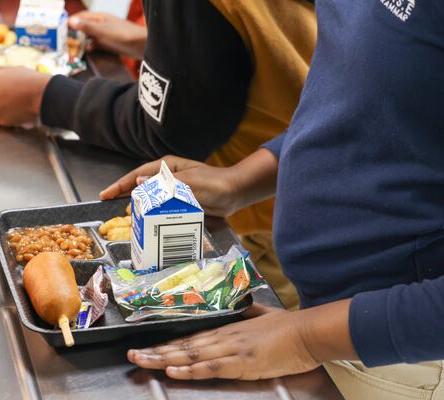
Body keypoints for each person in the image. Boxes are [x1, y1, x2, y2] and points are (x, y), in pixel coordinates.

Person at [101, 1, 444, 398]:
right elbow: (368, 101)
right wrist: (240, 183)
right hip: (327, 317)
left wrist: (306, 337)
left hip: (394, 352)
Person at [0, 0, 317, 310]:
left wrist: (46, 98)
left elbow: (170, 131)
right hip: (293, 186)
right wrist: (156, 43)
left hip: (253, 225)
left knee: (272, 315)